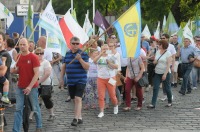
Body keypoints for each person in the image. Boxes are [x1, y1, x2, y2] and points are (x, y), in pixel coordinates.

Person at [11, 38, 42, 132]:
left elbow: (37, 74)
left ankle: (39, 126)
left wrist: (29, 86)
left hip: (32, 87)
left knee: (35, 107)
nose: (22, 46)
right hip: (20, 86)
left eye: (24, 44)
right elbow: (17, 71)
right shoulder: (19, 57)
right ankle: (15, 130)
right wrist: (13, 70)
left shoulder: (33, 57)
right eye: (20, 44)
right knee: (18, 109)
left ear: (29, 45)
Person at [60, 36, 89, 126]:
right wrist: (61, 79)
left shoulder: (83, 54)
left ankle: (75, 118)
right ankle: (79, 117)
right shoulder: (67, 54)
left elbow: (87, 67)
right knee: (73, 99)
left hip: (81, 79)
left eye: (77, 44)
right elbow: (64, 66)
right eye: (74, 43)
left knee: (78, 98)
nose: (75, 45)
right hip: (70, 80)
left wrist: (80, 59)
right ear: (70, 44)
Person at [93, 44, 118, 118]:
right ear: (101, 49)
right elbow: (94, 61)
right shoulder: (99, 56)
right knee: (101, 96)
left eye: (106, 49)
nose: (105, 50)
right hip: (101, 78)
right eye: (103, 49)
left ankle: (115, 106)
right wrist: (100, 54)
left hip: (110, 78)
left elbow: (116, 66)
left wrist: (109, 63)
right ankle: (101, 111)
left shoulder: (111, 56)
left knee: (112, 95)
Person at [147, 40, 172, 108]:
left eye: (160, 44)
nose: (158, 45)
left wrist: (165, 74)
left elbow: (168, 65)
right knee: (155, 88)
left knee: (167, 88)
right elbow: (156, 60)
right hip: (157, 72)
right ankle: (153, 103)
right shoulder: (157, 52)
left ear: (163, 45)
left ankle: (170, 101)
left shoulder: (168, 53)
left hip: (165, 72)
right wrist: (153, 61)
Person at [36, 47, 55, 121]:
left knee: (46, 98)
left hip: (45, 83)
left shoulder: (46, 62)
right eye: (37, 53)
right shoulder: (34, 62)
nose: (39, 55)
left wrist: (39, 82)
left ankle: (51, 114)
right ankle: (34, 114)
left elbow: (47, 74)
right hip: (35, 84)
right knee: (35, 99)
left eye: (41, 53)